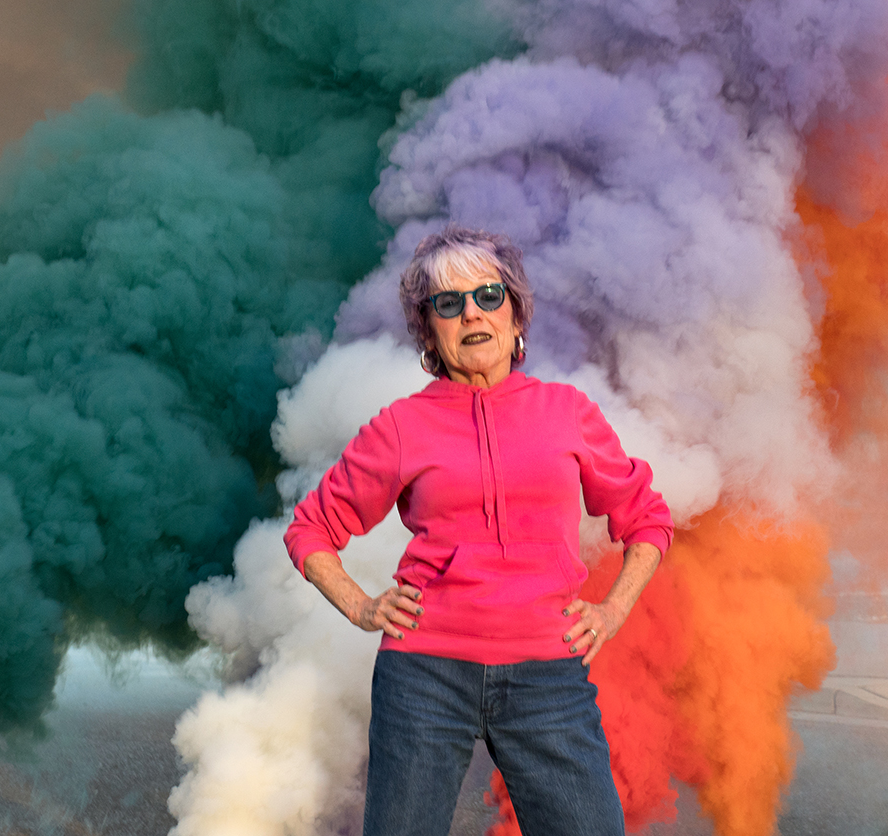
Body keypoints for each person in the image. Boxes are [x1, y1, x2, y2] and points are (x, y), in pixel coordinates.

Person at [284, 226, 673, 836]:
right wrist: (362, 607)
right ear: (429, 331)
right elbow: (310, 529)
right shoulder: (400, 425)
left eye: (488, 296)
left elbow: (646, 519)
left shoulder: (568, 412)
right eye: (448, 303)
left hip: (549, 673)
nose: (471, 313)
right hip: (424, 677)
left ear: (515, 316)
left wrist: (614, 609)